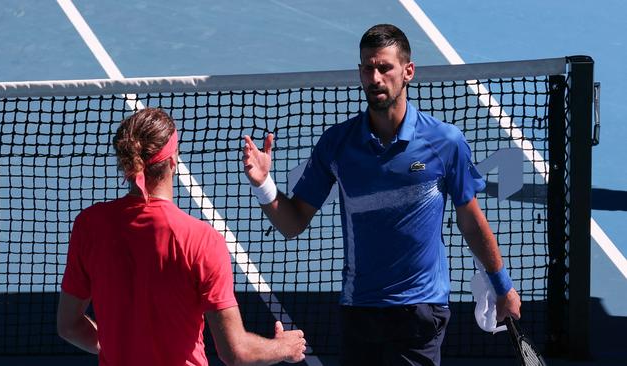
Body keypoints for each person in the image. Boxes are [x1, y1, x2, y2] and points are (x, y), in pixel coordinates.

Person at [242, 24, 521, 366]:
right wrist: (263, 183)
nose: (375, 78)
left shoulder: (445, 143)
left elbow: (471, 222)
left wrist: (503, 286)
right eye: (367, 68)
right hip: (359, 310)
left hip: (420, 310)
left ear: (408, 72)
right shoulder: (337, 145)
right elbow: (293, 222)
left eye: (384, 67)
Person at [57, 108, 306, 366]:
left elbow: (70, 326)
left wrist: (122, 347)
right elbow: (235, 352)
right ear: (173, 162)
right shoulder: (202, 241)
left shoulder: (90, 226)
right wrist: (284, 347)